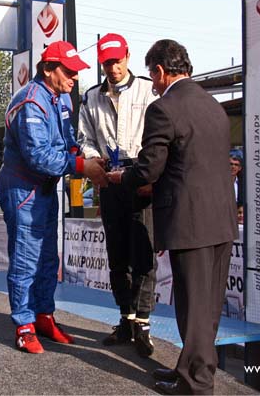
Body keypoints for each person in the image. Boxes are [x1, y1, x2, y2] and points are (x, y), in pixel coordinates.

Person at [107, 39, 237, 395]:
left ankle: (196, 384)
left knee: (193, 308)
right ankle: (192, 370)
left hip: (190, 222)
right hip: (221, 220)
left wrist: (121, 178)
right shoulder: (213, 105)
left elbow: (149, 168)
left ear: (161, 71)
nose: (153, 83)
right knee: (207, 308)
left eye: (152, 76)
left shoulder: (163, 108)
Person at [0, 41, 108, 354]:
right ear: (48, 69)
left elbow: (67, 141)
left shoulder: (61, 98)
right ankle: (23, 325)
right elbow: (38, 156)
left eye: (76, 71)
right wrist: (81, 166)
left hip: (45, 187)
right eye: (68, 71)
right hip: (23, 188)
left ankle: (43, 315)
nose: (75, 77)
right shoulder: (31, 101)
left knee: (48, 258)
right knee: (25, 258)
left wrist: (88, 157)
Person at [77, 33, 158, 357]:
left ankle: (144, 323)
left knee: (144, 255)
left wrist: (150, 172)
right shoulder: (91, 96)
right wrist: (93, 159)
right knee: (117, 256)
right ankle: (126, 318)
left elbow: (159, 136)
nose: (113, 68)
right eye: (107, 62)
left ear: (127, 56)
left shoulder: (148, 90)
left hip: (139, 176)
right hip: (109, 178)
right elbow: (84, 138)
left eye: (117, 60)